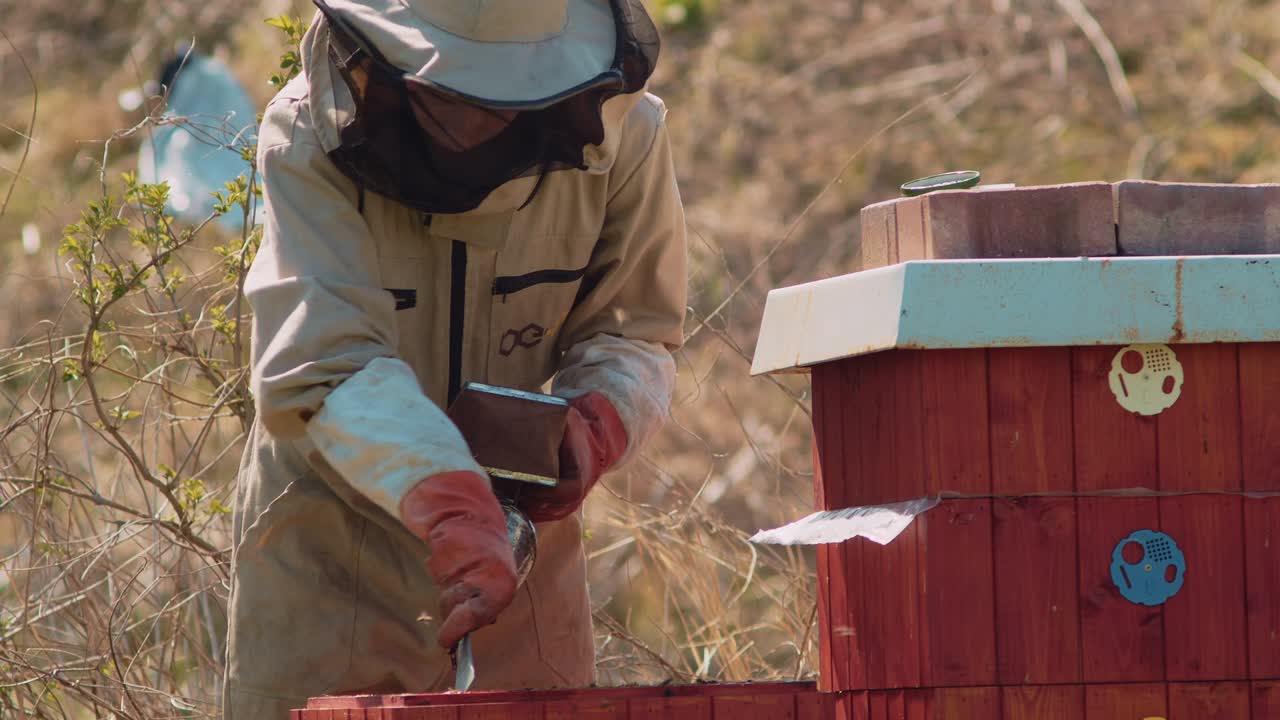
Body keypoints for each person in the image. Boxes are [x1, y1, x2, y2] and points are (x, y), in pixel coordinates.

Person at [221, 0, 686, 718]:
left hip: (526, 560)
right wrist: (452, 504)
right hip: (327, 560)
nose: (474, 116)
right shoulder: (307, 132)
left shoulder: (624, 136)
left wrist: (598, 419)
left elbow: (636, 330)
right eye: (451, 88)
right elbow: (325, 362)